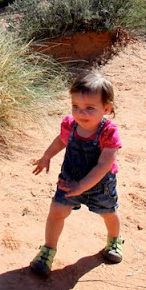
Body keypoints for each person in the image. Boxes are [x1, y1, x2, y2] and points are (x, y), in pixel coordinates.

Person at [30, 70, 123, 277]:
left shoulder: (108, 133)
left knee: (109, 213)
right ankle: (48, 250)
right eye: (76, 106)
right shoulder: (70, 125)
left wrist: (82, 186)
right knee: (57, 212)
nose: (81, 113)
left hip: (100, 185)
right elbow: (61, 140)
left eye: (90, 108)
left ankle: (114, 240)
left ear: (106, 108)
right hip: (69, 180)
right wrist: (47, 156)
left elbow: (103, 165)